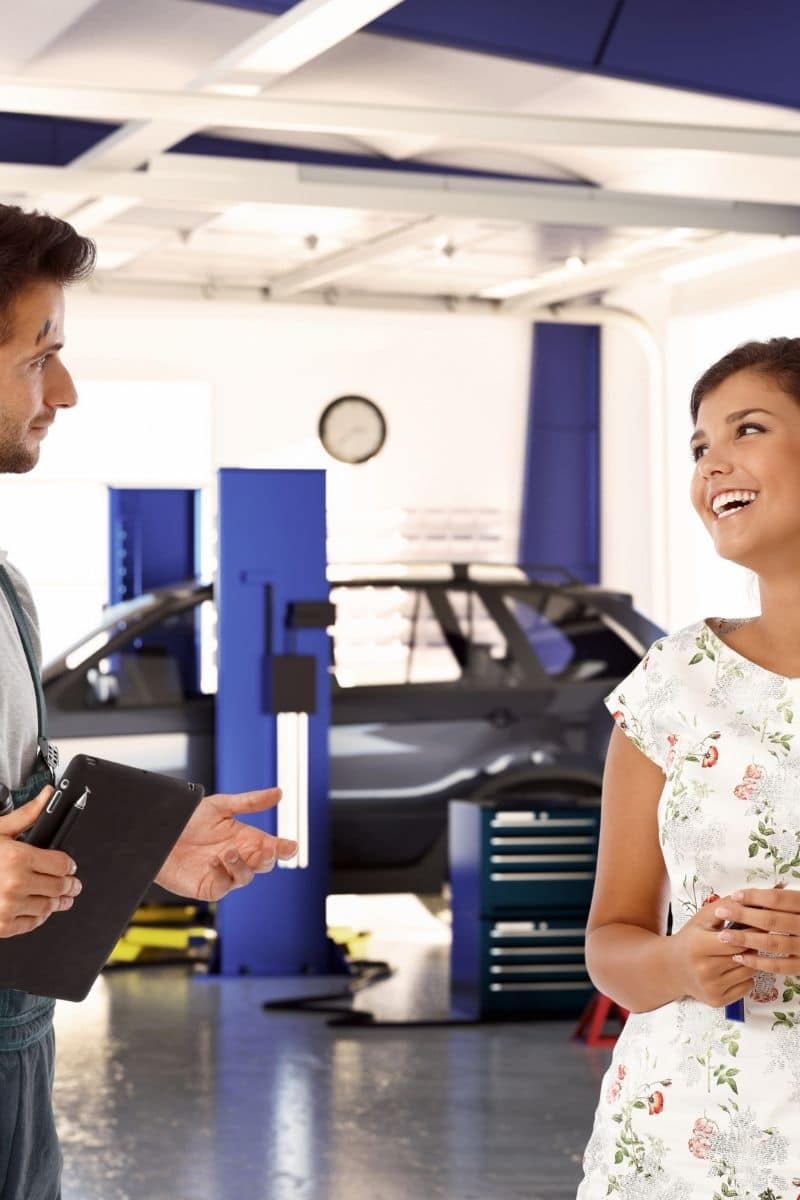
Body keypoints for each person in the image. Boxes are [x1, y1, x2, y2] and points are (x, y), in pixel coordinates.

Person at [0, 204, 297, 1199]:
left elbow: (23, 809)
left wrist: (147, 842)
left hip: (13, 1048)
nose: (66, 391)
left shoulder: (6, 589)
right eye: (41, 355)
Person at [576, 336, 800, 1197]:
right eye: (699, 446)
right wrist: (678, 964)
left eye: (747, 429)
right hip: (683, 1149)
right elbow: (612, 942)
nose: (713, 464)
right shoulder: (673, 684)